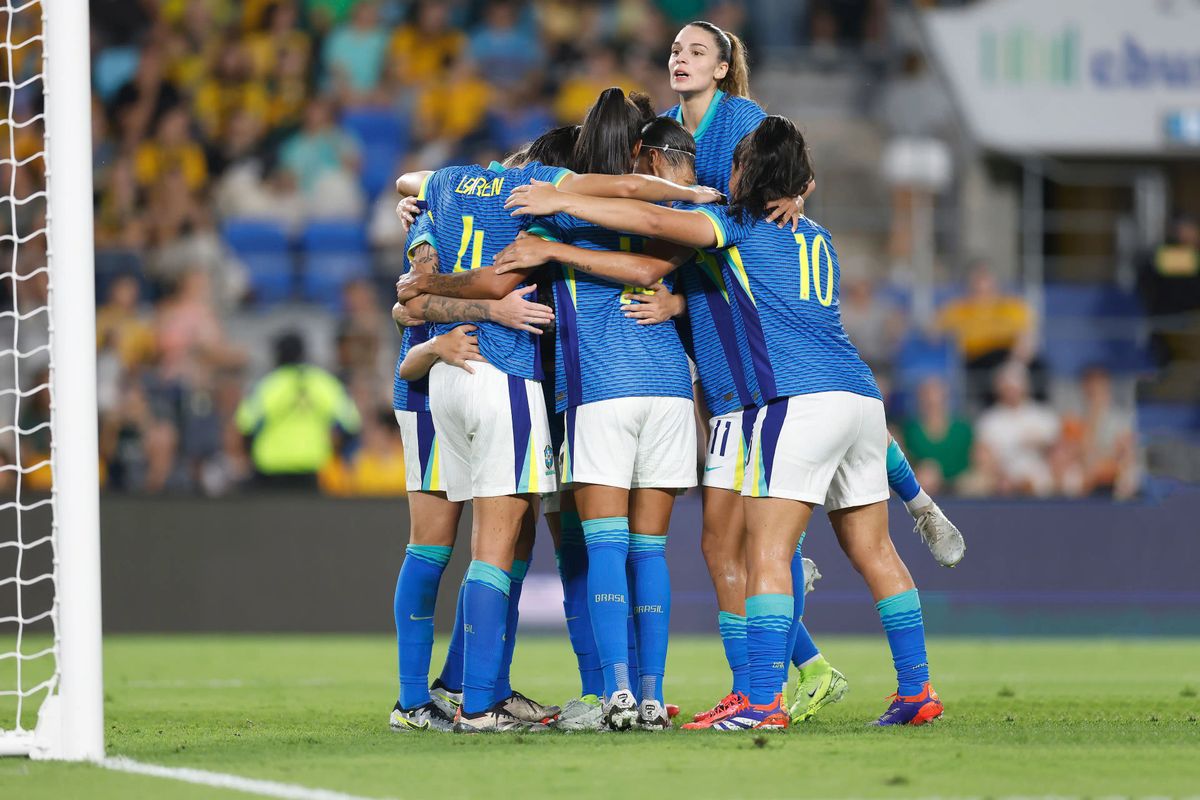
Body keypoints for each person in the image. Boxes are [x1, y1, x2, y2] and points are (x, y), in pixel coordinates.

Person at [506, 115, 946, 729]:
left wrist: (562, 200)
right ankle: (917, 690)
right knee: (874, 549)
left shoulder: (737, 223)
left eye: (737, 164)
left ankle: (762, 701)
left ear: (753, 175)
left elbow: (656, 221)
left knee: (761, 551)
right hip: (861, 397)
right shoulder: (814, 233)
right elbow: (754, 293)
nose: (728, 173)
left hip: (790, 401)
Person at [392, 116, 717, 733]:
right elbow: (628, 200)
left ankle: (439, 696)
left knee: (475, 545)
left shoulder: (443, 195)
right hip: (503, 379)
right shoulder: (547, 205)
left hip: (446, 382)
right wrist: (688, 195)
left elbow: (408, 295)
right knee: (506, 543)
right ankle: (490, 699)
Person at [666, 19, 964, 568]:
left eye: (697, 50)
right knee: (731, 415)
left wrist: (796, 198)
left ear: (723, 68)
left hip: (744, 273)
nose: (680, 58)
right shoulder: (663, 130)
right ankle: (793, 550)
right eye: (676, 49)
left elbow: (800, 175)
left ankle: (907, 508)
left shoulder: (743, 118)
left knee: (797, 392)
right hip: (697, 282)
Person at [235, 331, 360, 490]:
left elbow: (245, 425)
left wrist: (250, 457)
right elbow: (351, 423)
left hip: (271, 470)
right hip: (312, 468)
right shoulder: (324, 382)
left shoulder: (268, 385)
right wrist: (341, 456)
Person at [973, 362, 1061, 497]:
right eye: (1007, 386)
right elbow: (983, 457)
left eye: (1015, 386)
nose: (1012, 391)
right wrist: (1003, 476)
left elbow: (1059, 452)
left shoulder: (1044, 416)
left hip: (1043, 482)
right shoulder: (989, 420)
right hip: (1002, 481)